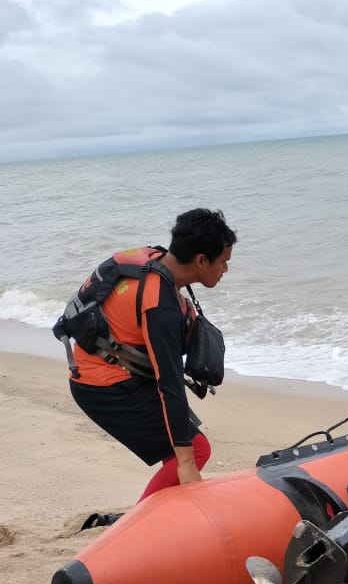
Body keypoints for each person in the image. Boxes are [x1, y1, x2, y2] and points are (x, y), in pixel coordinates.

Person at [68, 208, 235, 504]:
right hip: (102, 385)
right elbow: (169, 385)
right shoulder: (159, 305)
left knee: (180, 444)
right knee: (196, 450)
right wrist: (187, 463)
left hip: (107, 364)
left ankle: (168, 510)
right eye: (223, 261)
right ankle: (141, 522)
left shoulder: (156, 260)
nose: (226, 269)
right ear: (201, 260)